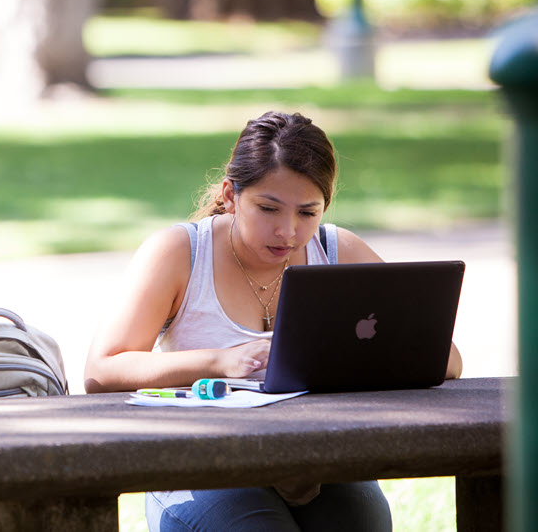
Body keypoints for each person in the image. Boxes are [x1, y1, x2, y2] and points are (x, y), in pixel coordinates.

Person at [83, 111, 462, 532]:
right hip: (201, 469)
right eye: (268, 208)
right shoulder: (179, 252)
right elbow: (102, 370)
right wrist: (219, 362)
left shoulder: (338, 253)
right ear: (230, 194)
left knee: (364, 521)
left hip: (314, 463)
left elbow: (448, 360)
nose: (287, 231)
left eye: (307, 212)